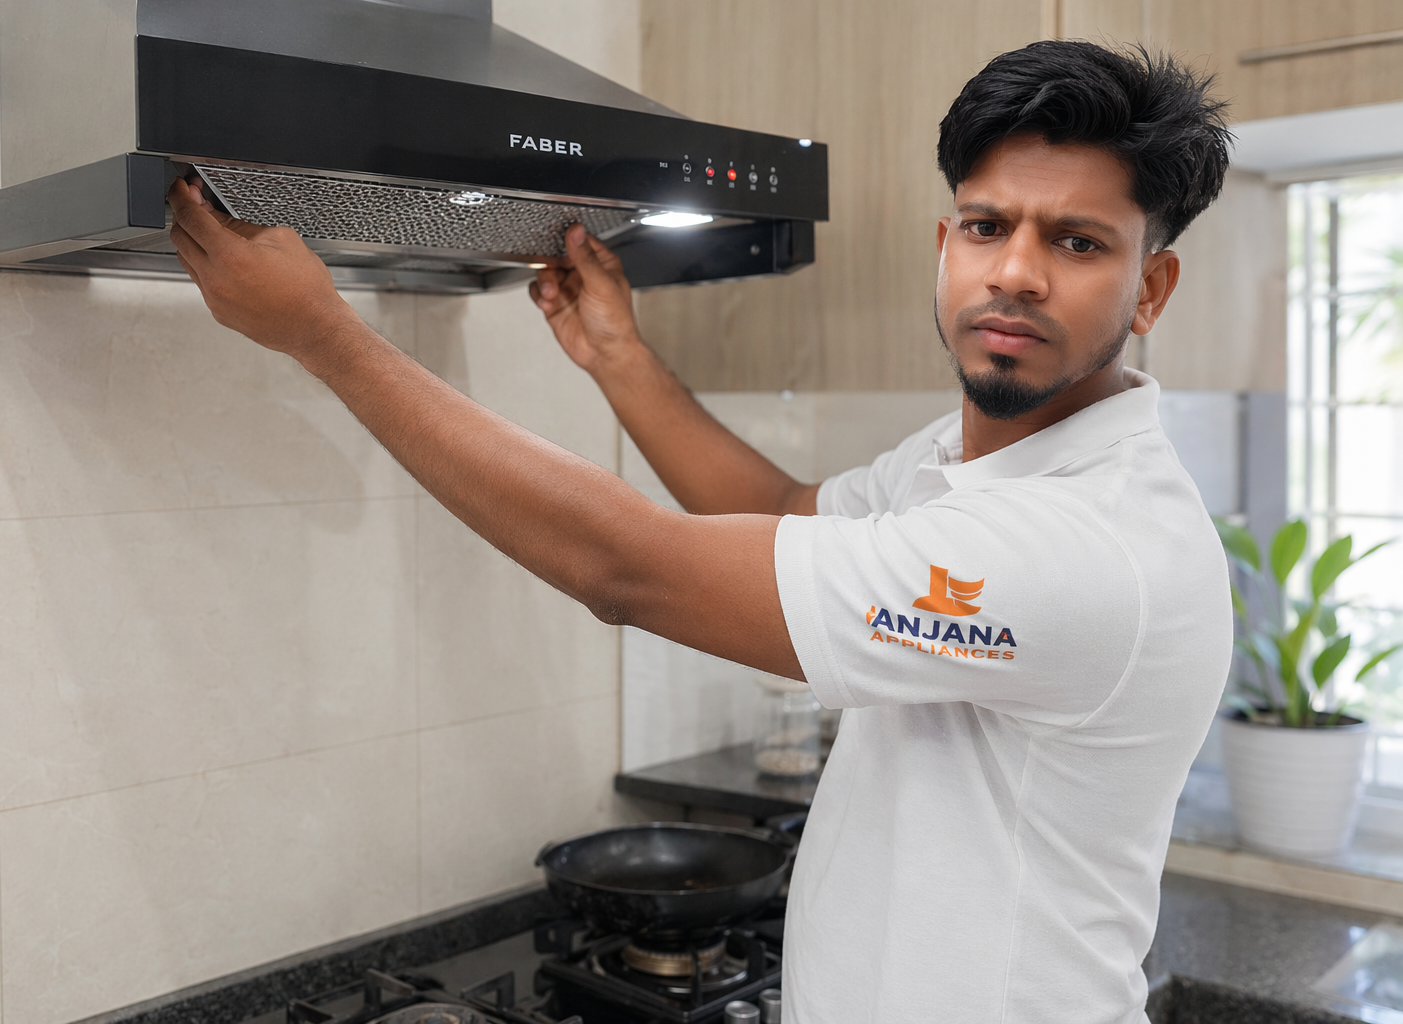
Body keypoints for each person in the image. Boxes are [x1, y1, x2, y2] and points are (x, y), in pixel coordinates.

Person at [168, 38, 1234, 1024]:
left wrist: (324, 338)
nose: (1015, 271)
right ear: (946, 242)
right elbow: (776, 515)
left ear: (1151, 288)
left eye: (1078, 241)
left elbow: (625, 568)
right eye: (989, 225)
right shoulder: (964, 464)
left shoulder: (1088, 546)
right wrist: (616, 354)